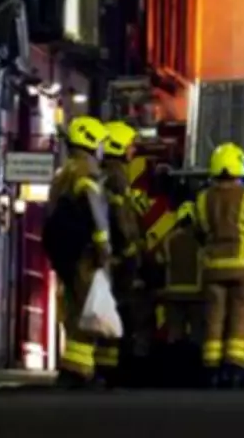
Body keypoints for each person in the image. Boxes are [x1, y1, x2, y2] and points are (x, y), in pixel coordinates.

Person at [196, 142, 244, 389]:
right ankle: (235, 369)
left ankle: (212, 369)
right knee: (242, 316)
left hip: (213, 268)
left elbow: (199, 232)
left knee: (214, 318)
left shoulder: (203, 198)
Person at [44, 115, 112, 388]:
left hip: (64, 253)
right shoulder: (86, 172)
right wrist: (103, 245)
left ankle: (74, 368)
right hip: (84, 252)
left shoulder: (63, 173)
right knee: (89, 308)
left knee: (73, 308)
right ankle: (79, 371)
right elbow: (94, 209)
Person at [95, 120, 143, 386]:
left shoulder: (104, 172)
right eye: (129, 145)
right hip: (119, 259)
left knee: (107, 311)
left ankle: (105, 368)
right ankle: (114, 370)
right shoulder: (117, 175)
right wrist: (132, 249)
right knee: (120, 310)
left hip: (107, 257)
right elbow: (122, 217)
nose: (132, 150)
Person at [155, 198, 206, 387]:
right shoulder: (200, 242)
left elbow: (159, 262)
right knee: (197, 335)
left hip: (173, 295)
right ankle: (196, 374)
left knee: (174, 334)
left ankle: (173, 373)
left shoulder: (169, 239)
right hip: (197, 296)